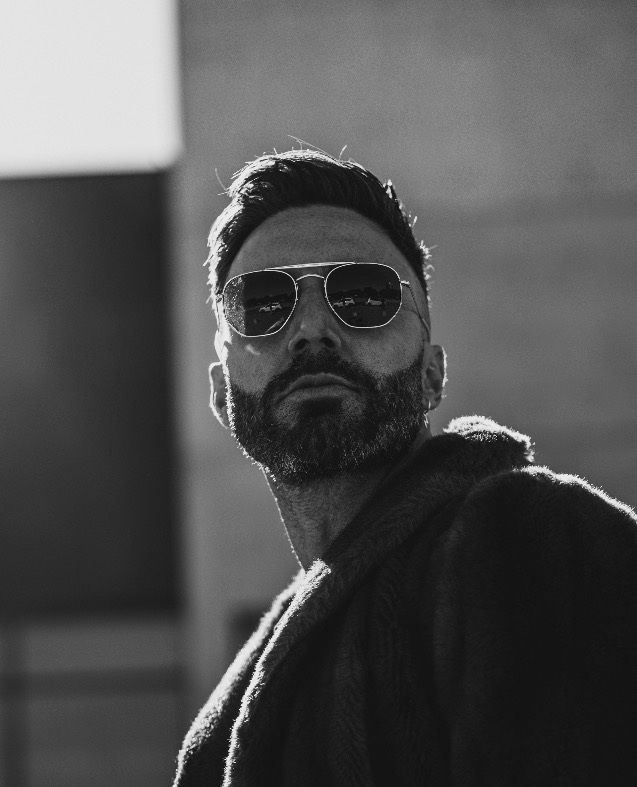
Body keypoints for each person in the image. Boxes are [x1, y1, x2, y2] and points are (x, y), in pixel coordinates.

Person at [173, 149, 637, 786]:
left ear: (431, 374)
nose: (312, 329)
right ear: (222, 396)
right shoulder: (223, 726)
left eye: (363, 296)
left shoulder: (537, 540)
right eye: (263, 304)